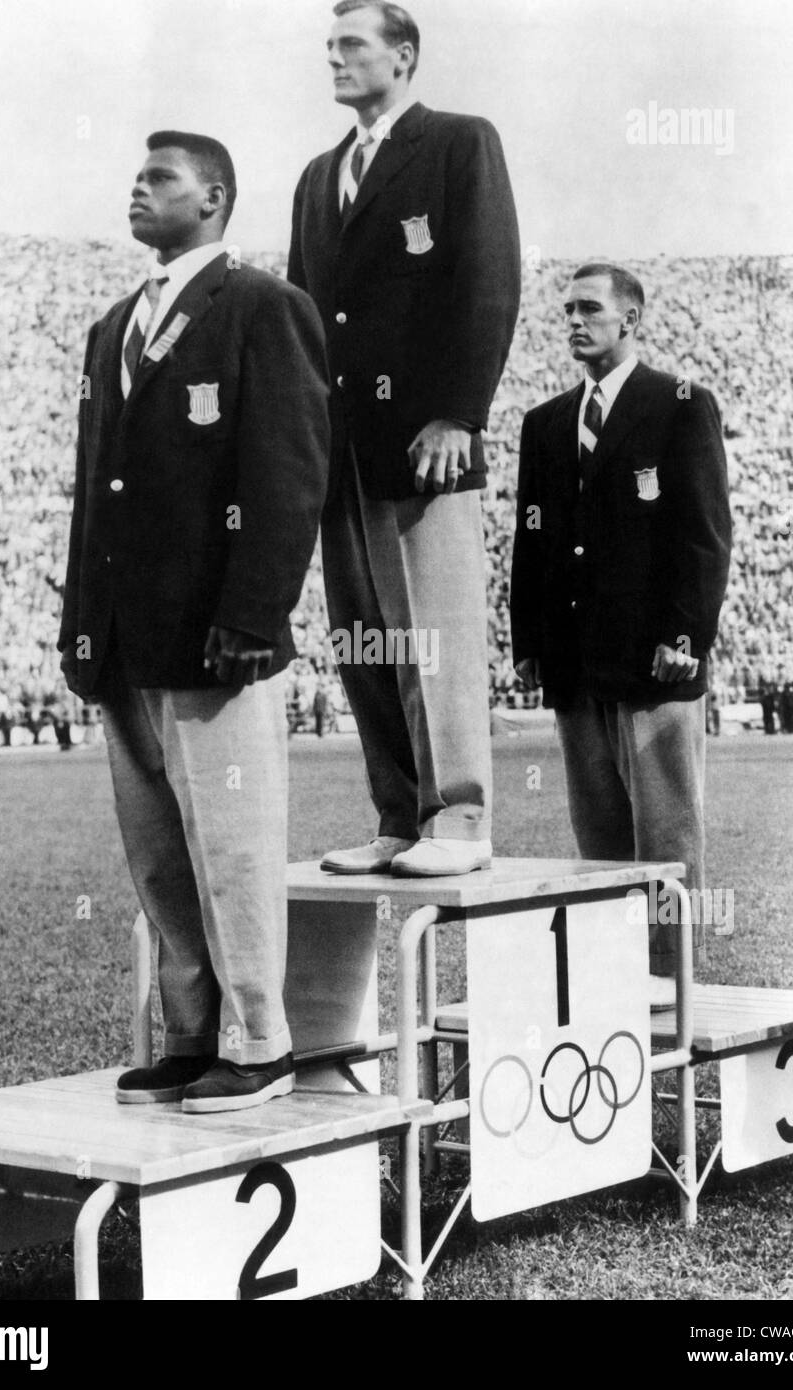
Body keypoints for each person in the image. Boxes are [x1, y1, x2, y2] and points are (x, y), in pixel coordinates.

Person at [58, 132, 330, 1109]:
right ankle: (190, 1031)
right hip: (127, 637)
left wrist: (256, 611)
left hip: (221, 636)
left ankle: (261, 1038)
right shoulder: (110, 329)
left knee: (233, 840)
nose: (139, 187)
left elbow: (291, 470)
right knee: (159, 852)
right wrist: (81, 628)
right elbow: (97, 491)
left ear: (213, 197)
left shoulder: (262, 308)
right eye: (136, 172)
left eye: (160, 176)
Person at [288, 0, 520, 876]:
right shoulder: (318, 175)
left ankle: (458, 819)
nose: (335, 61)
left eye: (351, 45)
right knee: (365, 636)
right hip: (341, 446)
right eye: (329, 48)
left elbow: (488, 277)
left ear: (404, 55)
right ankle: (397, 815)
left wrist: (459, 412)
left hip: (428, 439)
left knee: (433, 631)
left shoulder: (461, 143)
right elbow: (306, 314)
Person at [510, 263, 731, 1007]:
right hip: (577, 663)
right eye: (566, 308)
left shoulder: (678, 404)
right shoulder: (544, 423)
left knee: (667, 837)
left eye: (589, 309)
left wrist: (684, 634)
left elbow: (702, 532)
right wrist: (530, 641)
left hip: (653, 660)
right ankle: (614, 983)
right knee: (598, 838)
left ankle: (671, 983)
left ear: (629, 318)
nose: (573, 321)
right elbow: (531, 542)